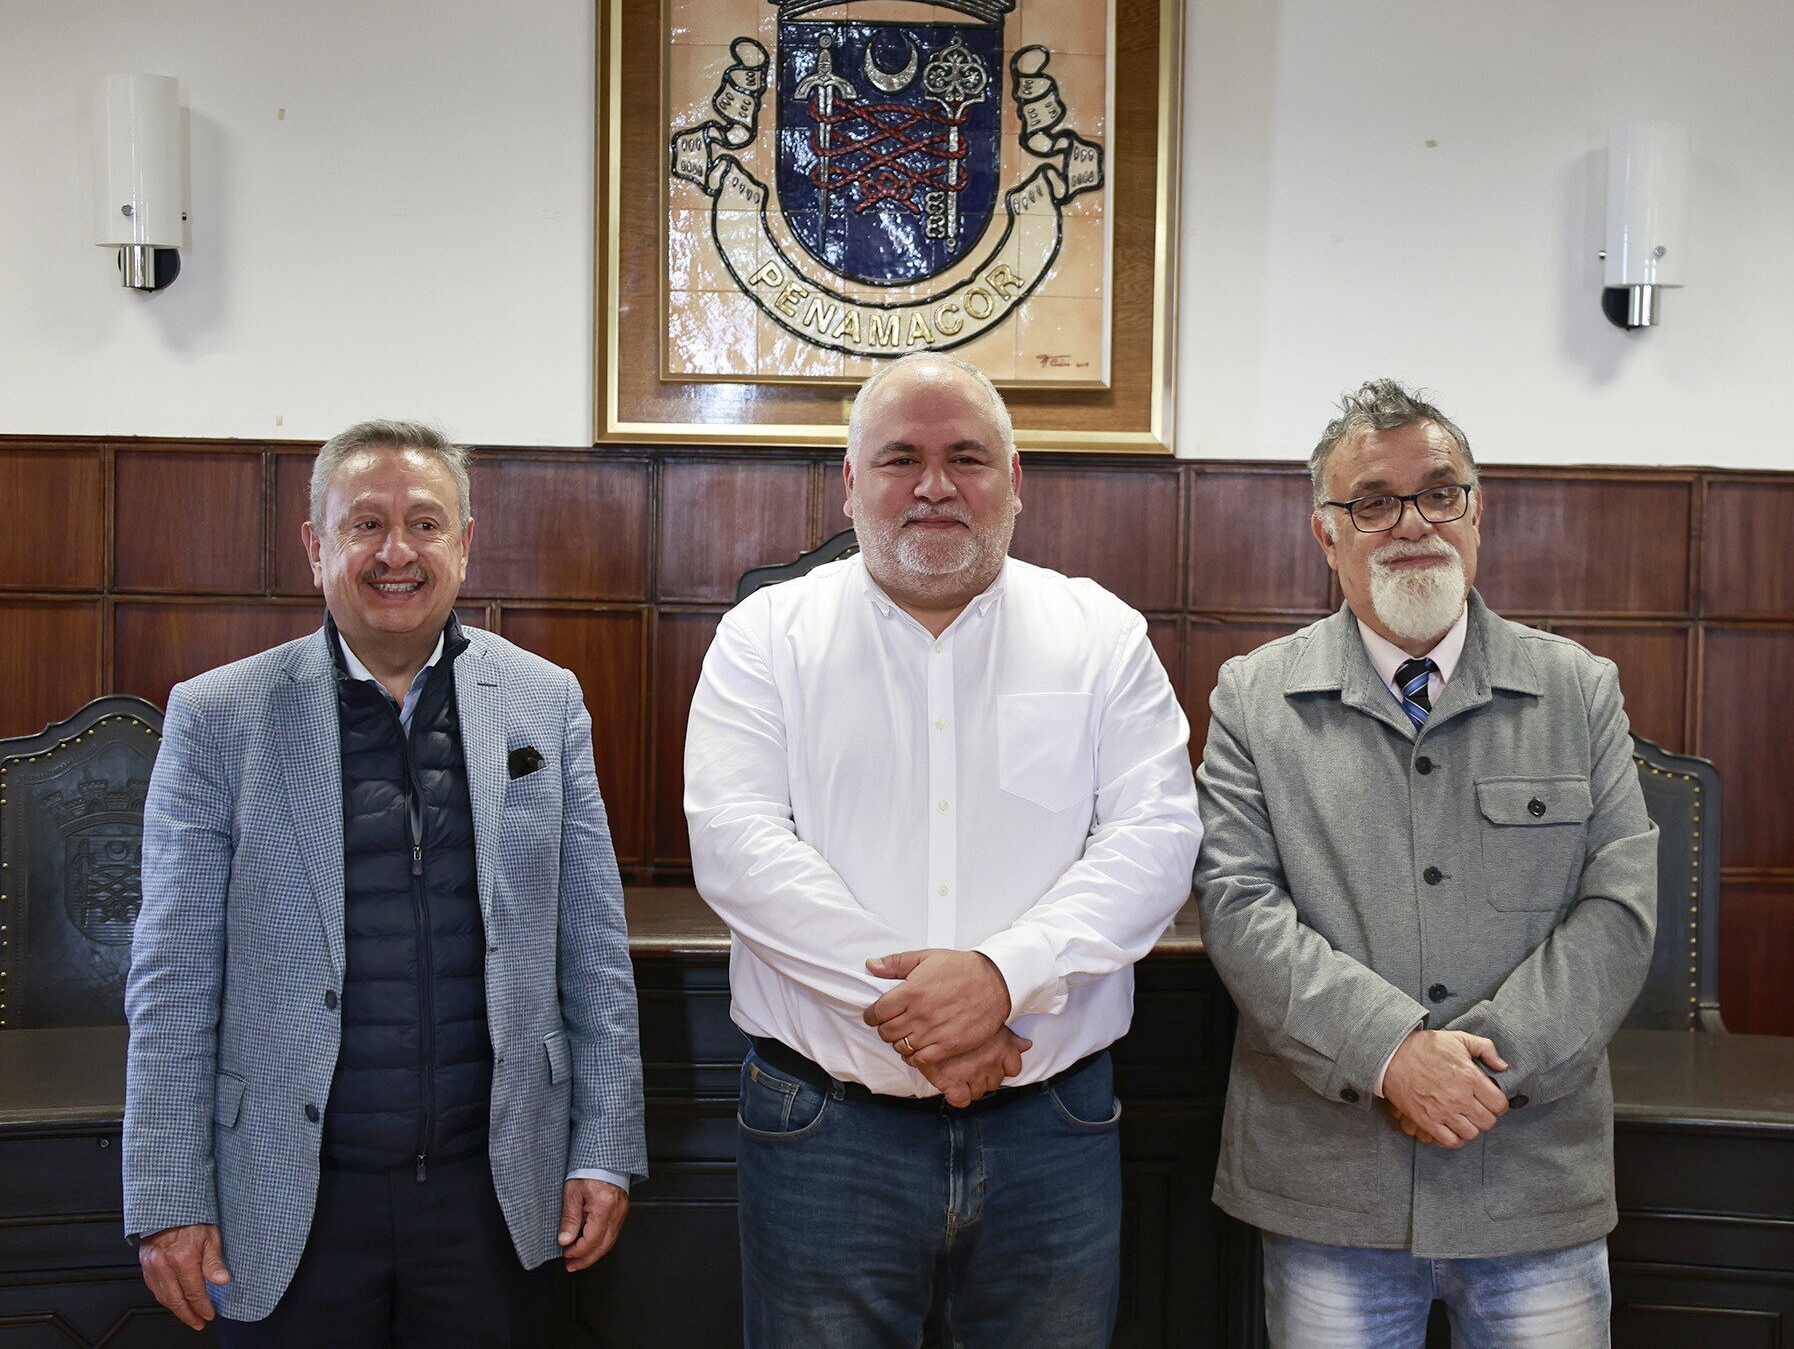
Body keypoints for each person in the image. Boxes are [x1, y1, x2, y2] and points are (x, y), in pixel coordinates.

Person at [684, 351, 1201, 1348]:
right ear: (850, 482)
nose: (933, 485)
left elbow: (1155, 837)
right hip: (825, 1125)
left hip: (1050, 1126)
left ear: (1015, 480)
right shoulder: (766, 636)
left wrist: (1004, 977)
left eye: (966, 457)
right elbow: (739, 846)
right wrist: (936, 1016)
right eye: (900, 459)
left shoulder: (1100, 635)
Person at [123, 421, 647, 1345]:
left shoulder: (545, 701)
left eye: (424, 524)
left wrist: (605, 1147)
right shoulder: (218, 717)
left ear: (465, 544)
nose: (396, 552)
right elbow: (171, 976)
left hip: (497, 1193)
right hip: (288, 1198)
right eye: (365, 524)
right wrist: (167, 1196)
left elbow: (595, 950)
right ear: (315, 547)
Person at [1192, 379, 1657, 1347]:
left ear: (1477, 512)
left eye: (1440, 492)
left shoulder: (1578, 689)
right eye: (1373, 502)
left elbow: (1617, 910)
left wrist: (1482, 1070)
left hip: (1530, 1179)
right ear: (1327, 534)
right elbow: (1239, 909)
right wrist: (1391, 1055)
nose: (1412, 523)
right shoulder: (1253, 699)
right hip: (1332, 1186)